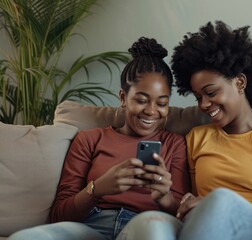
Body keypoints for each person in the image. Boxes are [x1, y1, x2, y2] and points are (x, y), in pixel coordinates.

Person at [119, 21, 252, 240]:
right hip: (207, 227)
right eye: (198, 97)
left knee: (220, 200)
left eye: (211, 93)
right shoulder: (197, 137)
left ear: (240, 83)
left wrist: (217, 204)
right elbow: (190, 200)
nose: (204, 104)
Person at [8, 37, 190, 240]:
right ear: (123, 98)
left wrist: (165, 197)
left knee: (155, 232)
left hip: (145, 226)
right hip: (93, 227)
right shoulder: (89, 139)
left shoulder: (175, 144)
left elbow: (183, 218)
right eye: (141, 100)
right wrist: (97, 189)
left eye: (162, 103)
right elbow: (59, 214)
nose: (151, 111)